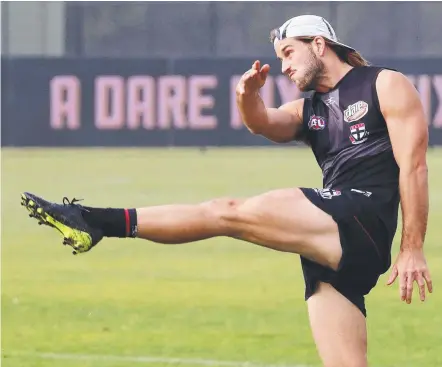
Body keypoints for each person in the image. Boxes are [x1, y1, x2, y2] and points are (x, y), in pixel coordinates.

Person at [21, 14, 431, 367]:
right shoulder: (309, 111)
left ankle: (94, 221)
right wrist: (246, 95)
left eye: (289, 53)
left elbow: (413, 167)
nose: (284, 67)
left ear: (319, 45)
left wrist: (412, 247)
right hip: (330, 247)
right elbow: (262, 123)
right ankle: (94, 223)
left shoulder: (384, 84)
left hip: (360, 220)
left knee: (227, 212)